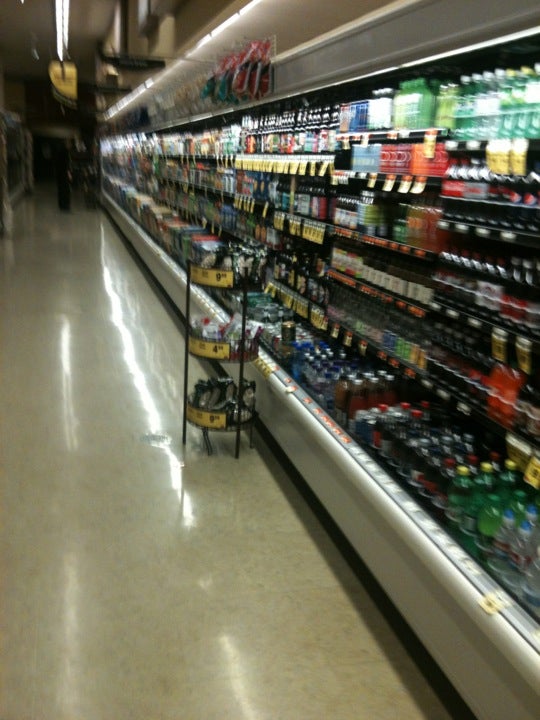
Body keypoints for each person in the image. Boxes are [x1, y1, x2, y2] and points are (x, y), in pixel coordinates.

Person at [56, 139, 72, 211]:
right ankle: (65, 205)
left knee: (60, 189)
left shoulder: (59, 151)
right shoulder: (66, 152)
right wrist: (69, 173)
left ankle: (61, 205)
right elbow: (66, 164)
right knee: (65, 190)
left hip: (59, 174)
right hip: (64, 174)